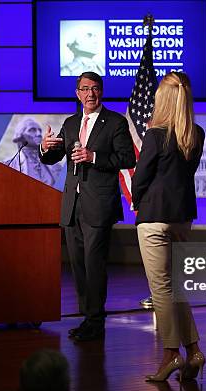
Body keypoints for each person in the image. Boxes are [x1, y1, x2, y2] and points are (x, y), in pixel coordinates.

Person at [40, 71, 136, 341]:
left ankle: (96, 320)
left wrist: (94, 156)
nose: (90, 94)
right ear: (77, 93)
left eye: (95, 88)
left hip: (99, 204)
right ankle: (87, 317)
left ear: (101, 91)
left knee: (94, 264)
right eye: (85, 89)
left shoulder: (115, 122)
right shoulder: (70, 124)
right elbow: (55, 156)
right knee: (79, 265)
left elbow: (127, 157)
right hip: (72, 204)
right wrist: (46, 148)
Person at [131, 72, 206, 382]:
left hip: (153, 217)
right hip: (182, 216)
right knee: (175, 287)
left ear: (162, 99)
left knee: (161, 288)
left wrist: (136, 199)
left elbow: (141, 177)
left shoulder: (156, 134)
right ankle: (195, 351)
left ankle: (170, 354)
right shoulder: (196, 134)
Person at [2, 117, 62, 187]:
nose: (39, 134)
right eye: (32, 130)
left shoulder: (56, 166)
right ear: (20, 135)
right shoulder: (9, 165)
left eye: (39, 130)